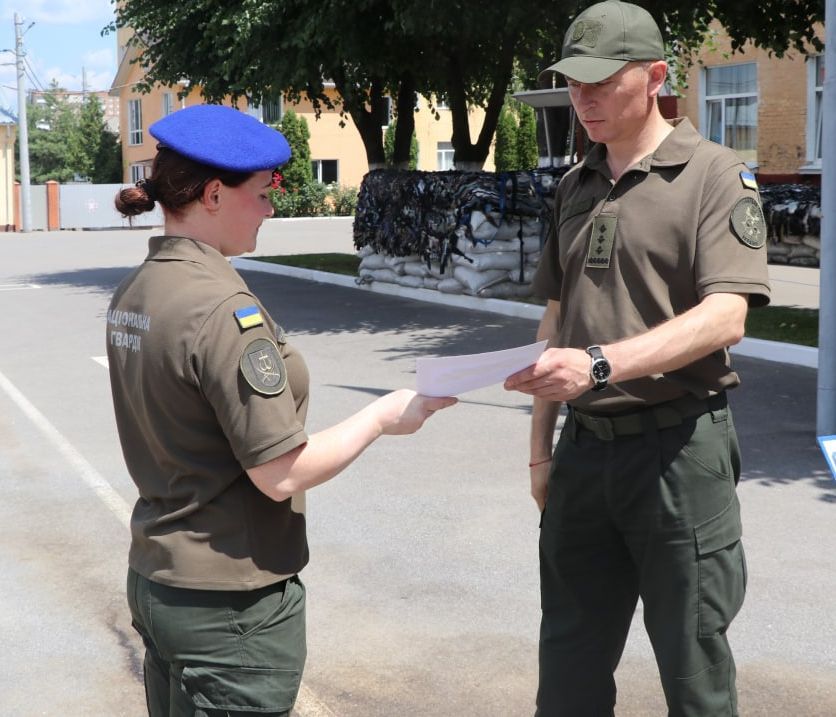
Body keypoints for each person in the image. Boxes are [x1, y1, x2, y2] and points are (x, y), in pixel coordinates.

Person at [107, 103, 456, 716]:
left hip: (161, 578)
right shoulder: (222, 309)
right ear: (214, 194)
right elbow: (281, 472)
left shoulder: (139, 288)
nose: (270, 210)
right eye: (262, 194)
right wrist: (382, 417)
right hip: (229, 604)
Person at [503, 2, 770, 715]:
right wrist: (539, 451)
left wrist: (599, 365)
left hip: (678, 450)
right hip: (584, 452)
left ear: (654, 77)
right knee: (569, 667)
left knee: (694, 672)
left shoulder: (715, 175)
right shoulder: (575, 184)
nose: (582, 97)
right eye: (573, 82)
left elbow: (726, 316)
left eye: (600, 81)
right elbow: (556, 316)